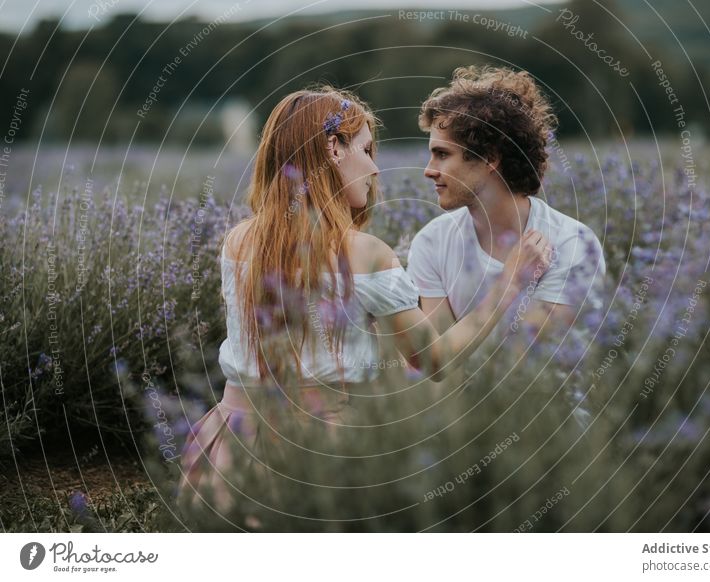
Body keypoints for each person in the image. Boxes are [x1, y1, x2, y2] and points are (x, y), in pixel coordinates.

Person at [177, 85, 552, 520]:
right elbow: (434, 361)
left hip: (230, 442)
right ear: (334, 148)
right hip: (322, 450)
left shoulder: (238, 241)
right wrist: (510, 282)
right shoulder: (366, 253)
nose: (375, 167)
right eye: (367, 149)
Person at [406, 66, 606, 413]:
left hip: (551, 431)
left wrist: (460, 343)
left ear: (490, 159)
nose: (428, 169)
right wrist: (510, 281)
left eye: (442, 154)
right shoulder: (432, 242)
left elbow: (524, 368)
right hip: (461, 428)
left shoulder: (572, 243)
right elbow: (438, 365)